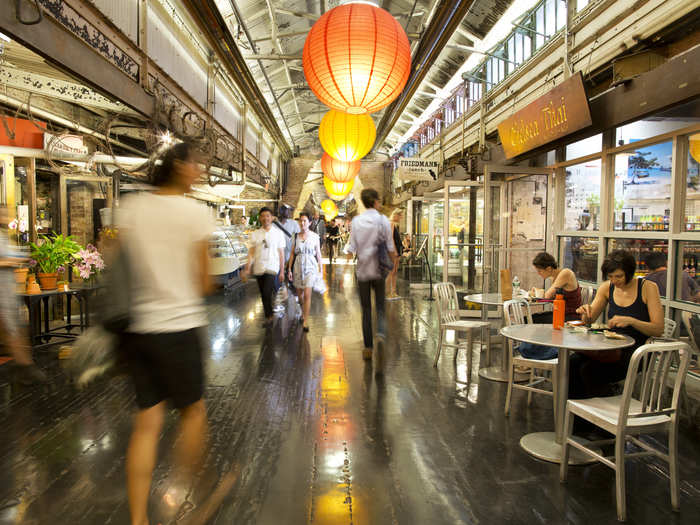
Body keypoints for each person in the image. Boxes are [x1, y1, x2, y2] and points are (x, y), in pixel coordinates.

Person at [118, 142, 215, 525]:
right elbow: (204, 281)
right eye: (198, 165)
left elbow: (121, 264)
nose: (201, 172)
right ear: (179, 166)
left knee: (147, 423)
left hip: (140, 328)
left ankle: (139, 519)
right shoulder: (195, 213)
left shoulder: (134, 208)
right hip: (180, 326)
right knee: (193, 413)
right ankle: (189, 498)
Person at [573, 250, 663, 399]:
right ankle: (576, 418)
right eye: (610, 276)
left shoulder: (648, 288)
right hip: (610, 348)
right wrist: (585, 312)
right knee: (572, 363)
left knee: (589, 370)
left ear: (630, 272)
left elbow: (658, 329)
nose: (615, 280)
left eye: (619, 276)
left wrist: (632, 321)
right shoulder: (607, 288)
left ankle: (604, 414)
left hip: (637, 352)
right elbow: (589, 320)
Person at [346, 189, 398, 370]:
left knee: (366, 310)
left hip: (362, 272)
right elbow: (391, 246)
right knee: (381, 308)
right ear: (375, 202)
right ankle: (381, 335)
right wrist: (394, 262)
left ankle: (368, 348)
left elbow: (351, 247)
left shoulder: (356, 221)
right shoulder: (383, 220)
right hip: (379, 270)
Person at [0, 206, 46, 384]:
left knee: (16, 327)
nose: (6, 217)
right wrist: (14, 260)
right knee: (12, 328)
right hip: (2, 290)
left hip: (8, 289)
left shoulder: (5, 237)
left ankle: (23, 365)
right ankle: (24, 366)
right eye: (3, 214)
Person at [243, 207, 285, 326]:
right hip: (259, 267)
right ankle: (269, 315)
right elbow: (251, 252)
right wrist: (247, 267)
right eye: (263, 216)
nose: (265, 218)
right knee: (263, 294)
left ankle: (269, 316)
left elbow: (281, 253)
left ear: (272, 218)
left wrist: (282, 271)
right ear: (260, 218)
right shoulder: (256, 234)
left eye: (268, 215)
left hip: (272, 267)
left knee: (266, 292)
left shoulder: (278, 233)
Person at [287, 212, 323, 332]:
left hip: (311, 266)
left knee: (307, 294)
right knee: (300, 295)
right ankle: (303, 312)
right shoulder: (296, 236)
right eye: (301, 221)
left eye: (305, 221)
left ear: (310, 223)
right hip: (298, 265)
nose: (302, 223)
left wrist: (321, 270)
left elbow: (318, 254)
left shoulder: (314, 236)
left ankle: (306, 320)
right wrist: (289, 269)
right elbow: (292, 253)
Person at [529, 252, 582, 322]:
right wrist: (537, 291)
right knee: (529, 318)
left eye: (539, 271)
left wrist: (537, 292)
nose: (538, 273)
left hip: (571, 316)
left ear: (548, 269)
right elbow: (550, 297)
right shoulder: (554, 277)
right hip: (561, 313)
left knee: (530, 320)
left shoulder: (566, 273)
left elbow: (547, 296)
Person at [386, 209, 404, 299]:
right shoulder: (391, 223)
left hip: (396, 249)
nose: (402, 217)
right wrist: (395, 251)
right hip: (394, 250)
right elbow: (390, 238)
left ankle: (393, 292)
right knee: (391, 272)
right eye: (401, 215)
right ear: (396, 215)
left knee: (395, 272)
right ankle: (387, 293)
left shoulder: (394, 224)